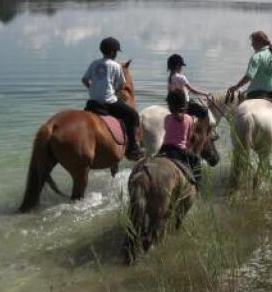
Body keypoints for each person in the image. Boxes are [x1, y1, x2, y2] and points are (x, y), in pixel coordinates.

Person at [82, 37, 144, 166]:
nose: (116, 54)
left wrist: (92, 89)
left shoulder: (94, 63)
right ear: (112, 53)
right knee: (133, 115)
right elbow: (121, 86)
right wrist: (116, 91)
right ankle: (133, 147)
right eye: (116, 51)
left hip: (92, 102)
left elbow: (84, 80)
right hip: (109, 103)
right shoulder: (116, 66)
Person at [227, 30, 272, 130]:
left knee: (238, 114)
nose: (252, 45)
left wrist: (235, 87)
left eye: (253, 41)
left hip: (255, 92)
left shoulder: (256, 57)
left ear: (259, 42)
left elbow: (249, 76)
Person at [159, 90, 202, 186]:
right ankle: (197, 186)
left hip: (164, 149)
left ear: (170, 106)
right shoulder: (189, 119)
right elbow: (188, 139)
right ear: (184, 104)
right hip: (179, 151)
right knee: (197, 160)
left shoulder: (167, 118)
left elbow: (167, 131)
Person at [167, 53, 211, 119]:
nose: (181, 68)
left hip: (172, 105)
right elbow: (192, 90)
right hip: (184, 104)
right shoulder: (181, 77)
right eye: (181, 66)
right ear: (177, 66)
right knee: (205, 112)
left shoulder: (170, 78)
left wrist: (186, 91)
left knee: (194, 102)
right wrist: (205, 94)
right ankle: (201, 129)